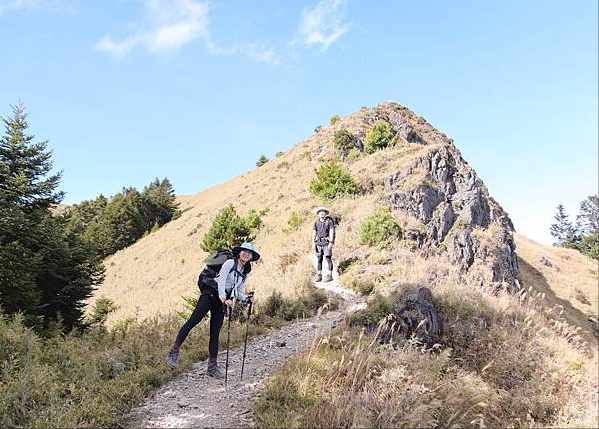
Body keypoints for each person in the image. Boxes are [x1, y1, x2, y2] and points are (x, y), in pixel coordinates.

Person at [166, 242, 260, 378]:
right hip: (211, 293)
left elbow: (238, 291)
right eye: (244, 251)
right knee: (193, 321)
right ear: (239, 253)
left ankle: (212, 366)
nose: (246, 254)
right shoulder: (229, 263)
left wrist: (246, 299)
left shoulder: (245, 273)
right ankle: (174, 351)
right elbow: (221, 281)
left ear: (251, 257)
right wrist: (224, 299)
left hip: (223, 300)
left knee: (215, 333)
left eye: (249, 253)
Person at [312, 207, 335, 282]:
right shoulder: (316, 222)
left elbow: (331, 231)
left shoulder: (329, 222)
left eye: (323, 212)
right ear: (318, 214)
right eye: (320, 212)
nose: (322, 213)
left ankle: (330, 275)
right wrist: (313, 242)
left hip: (326, 242)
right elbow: (314, 232)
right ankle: (319, 275)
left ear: (325, 213)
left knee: (328, 258)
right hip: (318, 243)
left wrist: (331, 242)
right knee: (319, 259)